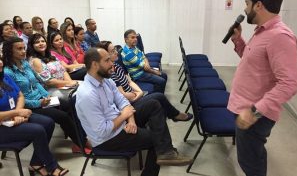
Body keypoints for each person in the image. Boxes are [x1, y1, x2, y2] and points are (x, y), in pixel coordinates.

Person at [76, 48, 192, 176]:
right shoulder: (87, 94)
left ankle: (166, 153)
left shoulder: (106, 81)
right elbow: (102, 131)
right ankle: (163, 154)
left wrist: (131, 120)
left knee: (154, 104)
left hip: (120, 122)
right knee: (157, 139)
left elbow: (123, 102)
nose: (112, 63)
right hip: (107, 139)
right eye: (107, 60)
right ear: (94, 64)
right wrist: (124, 116)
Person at [227, 0, 297, 176]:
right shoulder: (262, 32)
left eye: (247, 3)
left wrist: (254, 112)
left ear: (258, 5)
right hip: (244, 109)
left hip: (253, 115)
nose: (245, 8)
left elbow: (290, 83)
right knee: (252, 158)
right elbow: (252, 63)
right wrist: (238, 40)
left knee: (251, 164)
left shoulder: (280, 36)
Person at [3, 37, 88, 153]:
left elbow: (37, 81)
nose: (23, 51)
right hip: (30, 105)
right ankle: (81, 144)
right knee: (62, 116)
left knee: (70, 106)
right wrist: (39, 102)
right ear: (10, 51)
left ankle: (81, 140)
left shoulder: (25, 64)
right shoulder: (8, 72)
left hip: (42, 99)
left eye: (24, 48)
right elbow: (19, 97)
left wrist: (46, 95)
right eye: (19, 49)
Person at [0, 59, 69, 176]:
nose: (1, 62)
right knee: (38, 130)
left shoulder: (4, 76)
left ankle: (36, 163)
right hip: (2, 126)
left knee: (48, 123)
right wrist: (16, 113)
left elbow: (20, 95)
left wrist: (17, 113)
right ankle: (51, 166)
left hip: (13, 116)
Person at [97, 41, 193, 122]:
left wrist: (139, 92)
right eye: (112, 51)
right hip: (129, 102)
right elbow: (123, 95)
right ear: (105, 55)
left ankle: (172, 115)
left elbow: (129, 81)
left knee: (158, 99)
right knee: (159, 96)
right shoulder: (110, 73)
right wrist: (137, 94)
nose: (116, 52)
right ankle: (176, 115)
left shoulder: (117, 66)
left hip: (135, 94)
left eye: (115, 50)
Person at [26, 33, 78, 104]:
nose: (41, 44)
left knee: (84, 88)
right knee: (76, 95)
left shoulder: (51, 55)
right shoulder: (35, 61)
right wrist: (67, 83)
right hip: (50, 89)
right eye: (37, 42)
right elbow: (49, 82)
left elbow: (63, 71)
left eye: (43, 41)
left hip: (64, 85)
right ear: (32, 46)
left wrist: (70, 82)